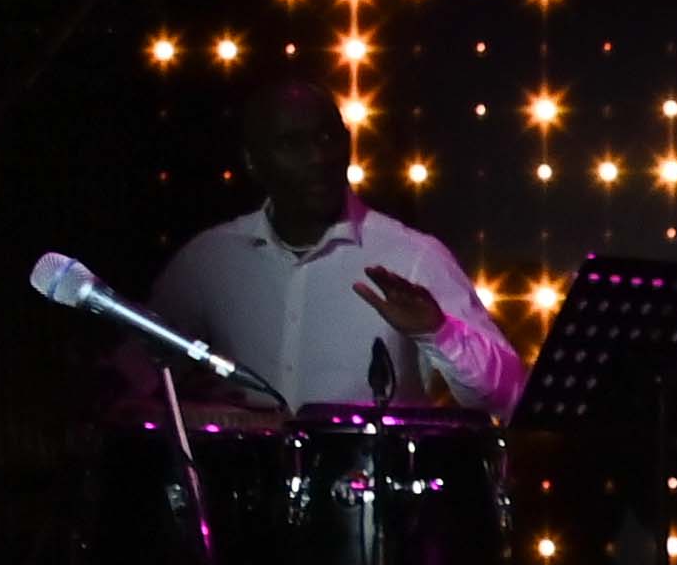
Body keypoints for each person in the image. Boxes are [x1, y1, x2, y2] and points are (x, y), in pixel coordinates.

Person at [148, 78, 525, 415]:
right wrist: (192, 410)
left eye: (328, 138)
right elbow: (133, 385)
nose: (318, 157)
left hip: (371, 489)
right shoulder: (209, 259)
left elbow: (508, 393)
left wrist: (439, 332)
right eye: (292, 144)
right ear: (253, 161)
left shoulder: (413, 256)